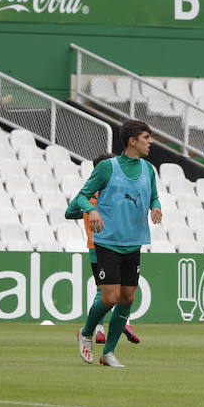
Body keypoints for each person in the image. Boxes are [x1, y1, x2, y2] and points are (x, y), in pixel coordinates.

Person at [69, 119, 163, 368]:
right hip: (107, 242)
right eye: (146, 137)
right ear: (133, 141)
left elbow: (154, 195)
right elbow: (80, 197)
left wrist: (156, 207)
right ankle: (86, 333)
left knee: (127, 299)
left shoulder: (148, 169)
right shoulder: (107, 168)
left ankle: (108, 353)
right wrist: (92, 210)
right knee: (109, 298)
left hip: (134, 243)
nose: (150, 141)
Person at [66, 154, 142, 349]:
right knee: (109, 292)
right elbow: (70, 212)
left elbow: (70, 212)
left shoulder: (97, 194)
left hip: (105, 247)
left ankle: (102, 328)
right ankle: (100, 328)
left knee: (109, 291)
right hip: (102, 247)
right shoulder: (96, 194)